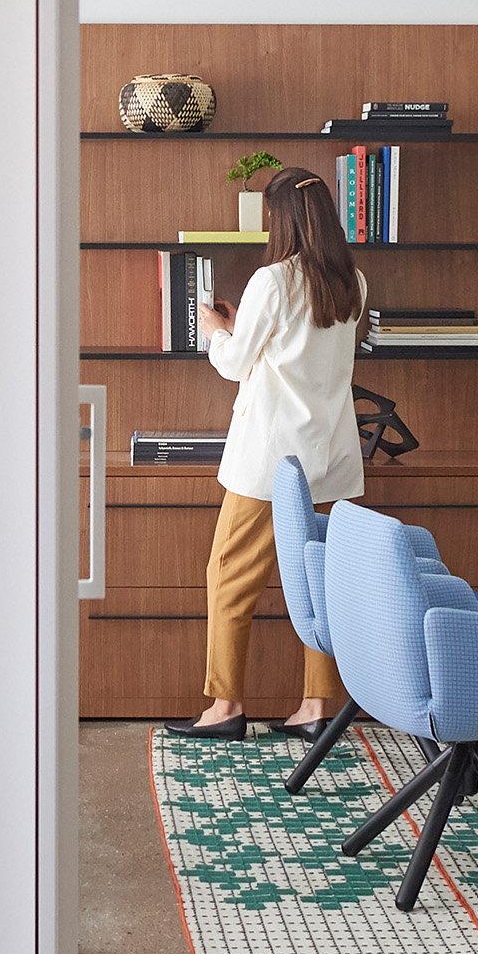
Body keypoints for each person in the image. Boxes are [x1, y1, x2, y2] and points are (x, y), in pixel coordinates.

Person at [163, 167, 364, 741]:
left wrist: (213, 328)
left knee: (230, 576)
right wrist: (240, 331)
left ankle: (224, 708)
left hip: (272, 461)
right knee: (322, 583)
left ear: (280, 221)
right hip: (332, 459)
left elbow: (233, 365)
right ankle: (317, 707)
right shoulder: (353, 281)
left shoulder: (272, 282)